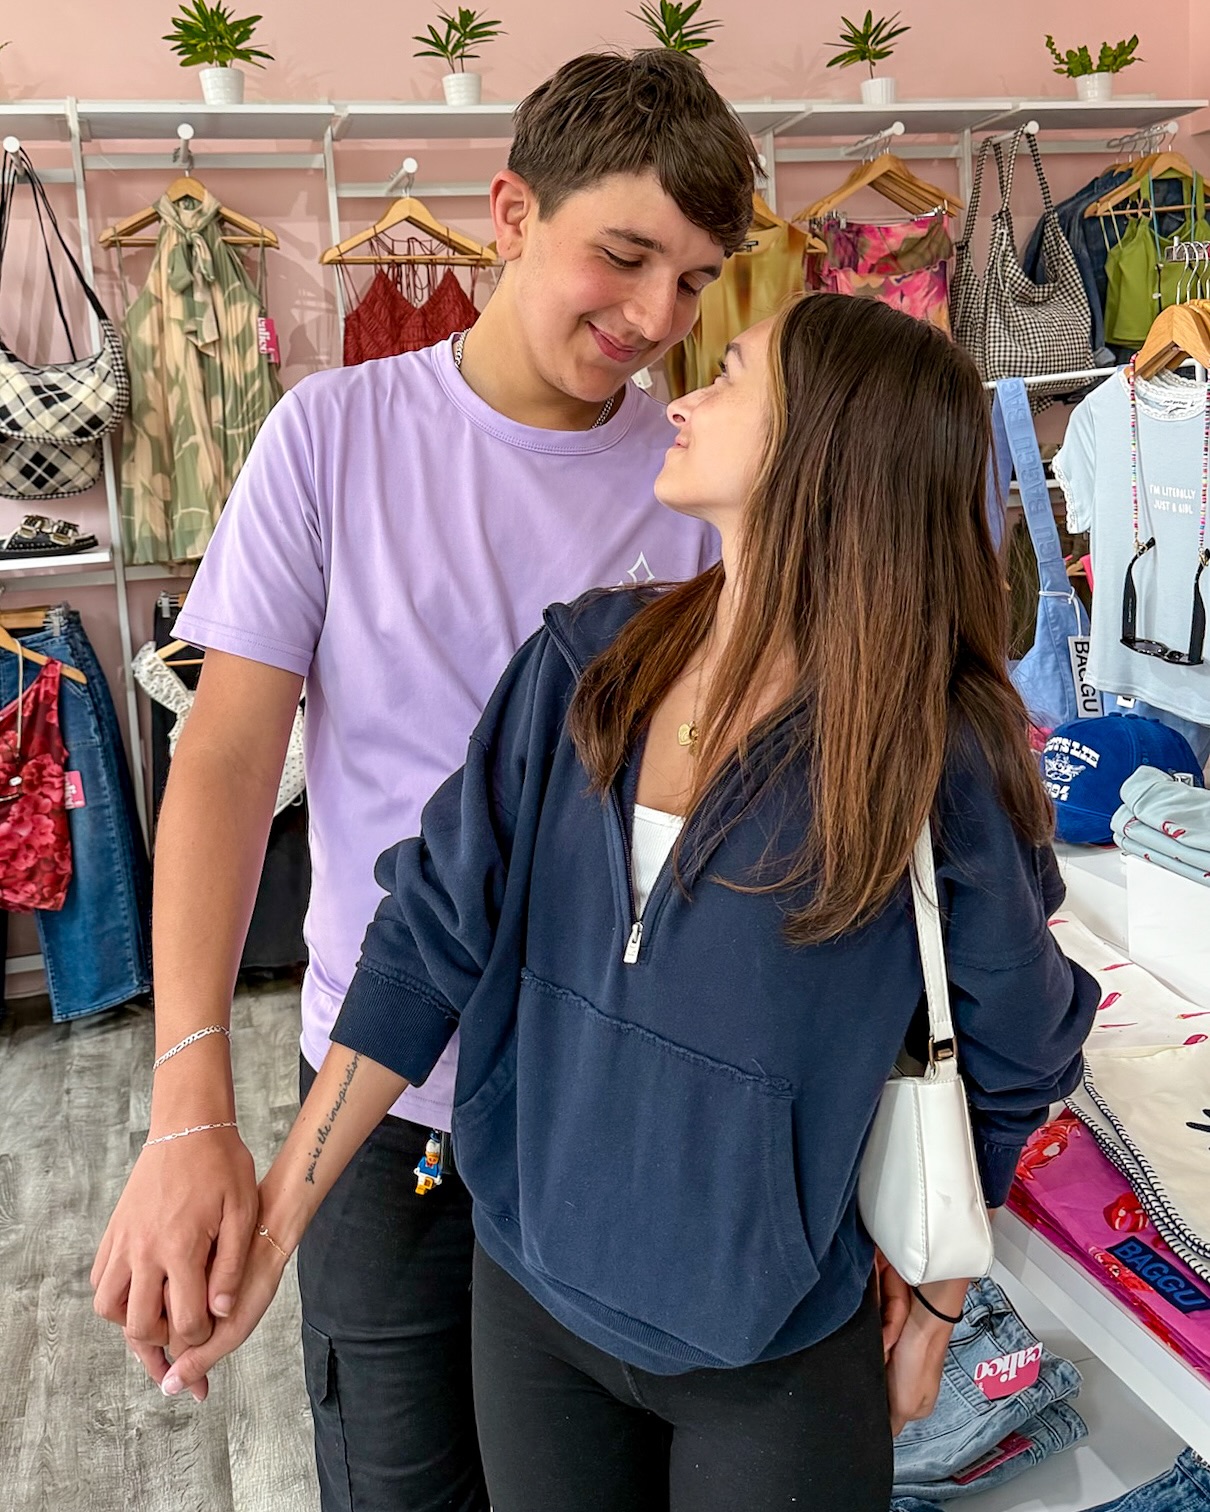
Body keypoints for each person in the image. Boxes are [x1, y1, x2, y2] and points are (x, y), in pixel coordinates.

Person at [148, 294, 1100, 1511]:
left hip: (770, 1351)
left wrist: (935, 1296)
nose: (682, 394)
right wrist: (276, 1225)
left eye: (734, 373)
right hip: (529, 1301)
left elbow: (1021, 1046)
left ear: (828, 446)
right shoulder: (587, 662)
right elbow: (423, 942)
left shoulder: (928, 751)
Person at [90, 48, 760, 1512]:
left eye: (698, 281)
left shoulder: (704, 487)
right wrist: (188, 1095)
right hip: (383, 1103)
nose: (655, 320)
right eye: (625, 255)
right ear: (511, 214)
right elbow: (222, 764)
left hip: (613, 1110)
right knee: (398, 1482)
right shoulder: (331, 437)